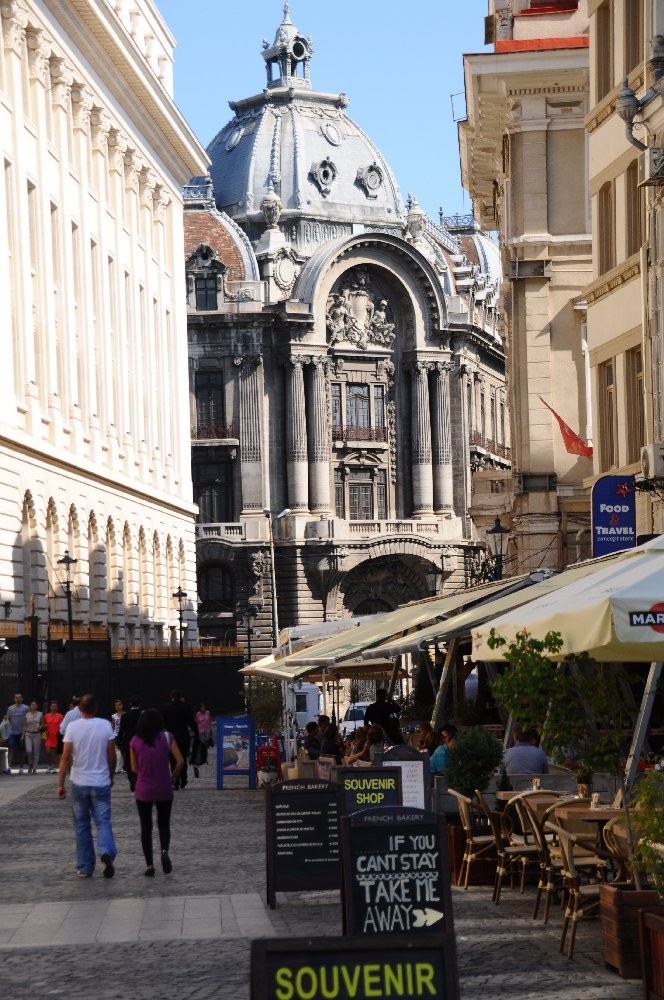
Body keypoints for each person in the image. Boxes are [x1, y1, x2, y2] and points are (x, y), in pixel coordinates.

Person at [57, 693, 117, 879]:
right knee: (103, 820)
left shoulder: (72, 727)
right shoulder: (105, 725)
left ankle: (85, 867)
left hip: (79, 782)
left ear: (80, 708)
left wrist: (60, 784)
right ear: (96, 708)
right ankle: (106, 851)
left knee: (82, 825)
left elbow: (65, 758)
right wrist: (111, 775)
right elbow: (112, 754)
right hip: (101, 782)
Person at [129, 708, 184, 877]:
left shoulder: (134, 741)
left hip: (144, 789)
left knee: (146, 827)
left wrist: (145, 774)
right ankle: (164, 851)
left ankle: (150, 866)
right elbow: (180, 761)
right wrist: (173, 777)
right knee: (164, 824)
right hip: (164, 787)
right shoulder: (167, 737)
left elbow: (134, 768)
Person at [161, 690, 197, 790]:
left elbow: (162, 724)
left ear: (171, 696)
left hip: (171, 738)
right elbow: (191, 722)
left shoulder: (165, 708)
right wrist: (196, 733)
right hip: (183, 737)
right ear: (180, 696)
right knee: (183, 758)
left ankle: (175, 782)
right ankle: (183, 780)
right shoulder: (186, 707)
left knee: (173, 760)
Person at [117, 696, 142, 792]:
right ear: (139, 704)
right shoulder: (142, 715)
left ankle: (132, 780)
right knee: (139, 762)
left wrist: (118, 742)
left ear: (130, 704)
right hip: (140, 743)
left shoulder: (125, 715)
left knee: (128, 763)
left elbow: (121, 731)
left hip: (128, 743)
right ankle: (138, 780)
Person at [7, 693, 29, 773]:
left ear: (22, 699)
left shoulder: (26, 708)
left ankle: (21, 768)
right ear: (14, 699)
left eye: (19, 697)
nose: (18, 699)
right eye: (16, 697)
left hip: (22, 732)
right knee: (10, 749)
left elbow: (28, 719)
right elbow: (8, 720)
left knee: (22, 750)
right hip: (12, 733)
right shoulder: (10, 708)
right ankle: (9, 767)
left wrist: (25, 731)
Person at [22, 700, 43, 774]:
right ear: (30, 707)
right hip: (28, 734)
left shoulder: (40, 714)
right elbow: (25, 725)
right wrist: (22, 735)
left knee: (36, 752)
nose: (33, 706)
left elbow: (42, 724)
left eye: (35, 705)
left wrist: (41, 727)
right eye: (32, 705)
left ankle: (34, 768)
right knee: (29, 750)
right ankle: (30, 764)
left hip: (37, 734)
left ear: (37, 706)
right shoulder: (27, 714)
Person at [43, 701, 63, 773]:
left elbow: (62, 726)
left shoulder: (60, 716)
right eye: (52, 706)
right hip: (48, 736)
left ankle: (54, 767)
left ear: (57, 708)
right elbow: (44, 727)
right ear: (50, 708)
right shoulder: (46, 716)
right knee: (48, 752)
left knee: (55, 753)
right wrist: (43, 737)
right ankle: (49, 766)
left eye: (55, 706)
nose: (54, 708)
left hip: (57, 736)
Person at [111, 699, 125, 773]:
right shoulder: (114, 716)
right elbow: (113, 727)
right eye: (116, 705)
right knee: (117, 751)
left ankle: (121, 767)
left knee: (123, 752)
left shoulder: (125, 714)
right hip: (116, 735)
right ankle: (117, 767)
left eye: (119, 705)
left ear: (122, 705)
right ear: (115, 707)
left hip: (123, 735)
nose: (118, 706)